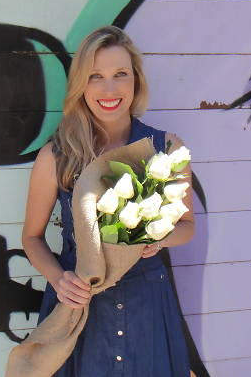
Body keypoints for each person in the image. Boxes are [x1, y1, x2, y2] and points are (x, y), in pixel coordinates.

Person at [21, 25, 195, 376]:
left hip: (147, 304)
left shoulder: (165, 150)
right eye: (95, 76)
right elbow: (32, 237)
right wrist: (58, 279)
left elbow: (187, 228)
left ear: (136, 81)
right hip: (82, 306)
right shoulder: (57, 157)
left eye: (120, 75)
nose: (110, 89)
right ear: (81, 85)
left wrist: (158, 237)